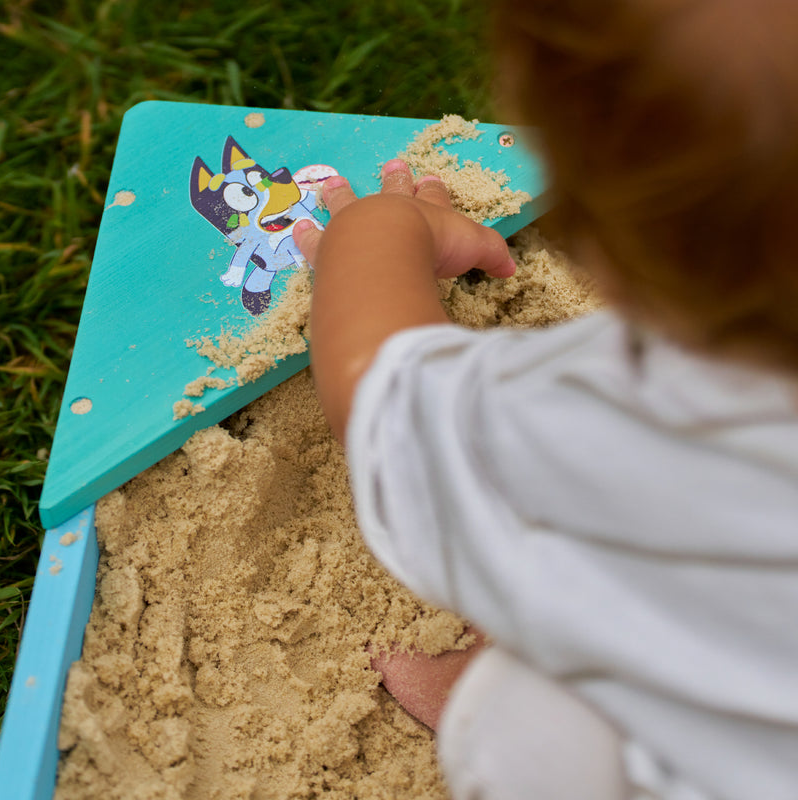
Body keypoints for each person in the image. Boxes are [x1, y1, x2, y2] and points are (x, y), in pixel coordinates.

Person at [292, 0, 798, 797]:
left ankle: (489, 685)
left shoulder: (599, 420)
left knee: (530, 715)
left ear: (599, 228)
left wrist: (383, 231)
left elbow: (373, 392)